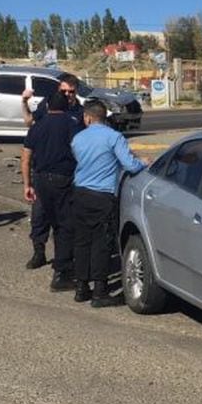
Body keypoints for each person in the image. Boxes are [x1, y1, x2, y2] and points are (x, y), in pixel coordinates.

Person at [71, 100, 146, 307]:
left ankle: (81, 287)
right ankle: (100, 291)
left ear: (87, 117)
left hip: (79, 193)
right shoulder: (114, 137)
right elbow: (129, 165)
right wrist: (144, 162)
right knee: (101, 244)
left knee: (82, 242)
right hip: (102, 196)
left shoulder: (78, 138)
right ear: (104, 117)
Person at [21, 91, 83, 292]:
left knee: (44, 218)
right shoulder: (72, 123)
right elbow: (81, 151)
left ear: (48, 107)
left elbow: (26, 157)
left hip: (41, 179)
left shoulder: (37, 126)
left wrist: (27, 184)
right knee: (65, 225)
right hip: (63, 179)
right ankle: (62, 274)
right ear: (66, 106)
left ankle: (42, 254)